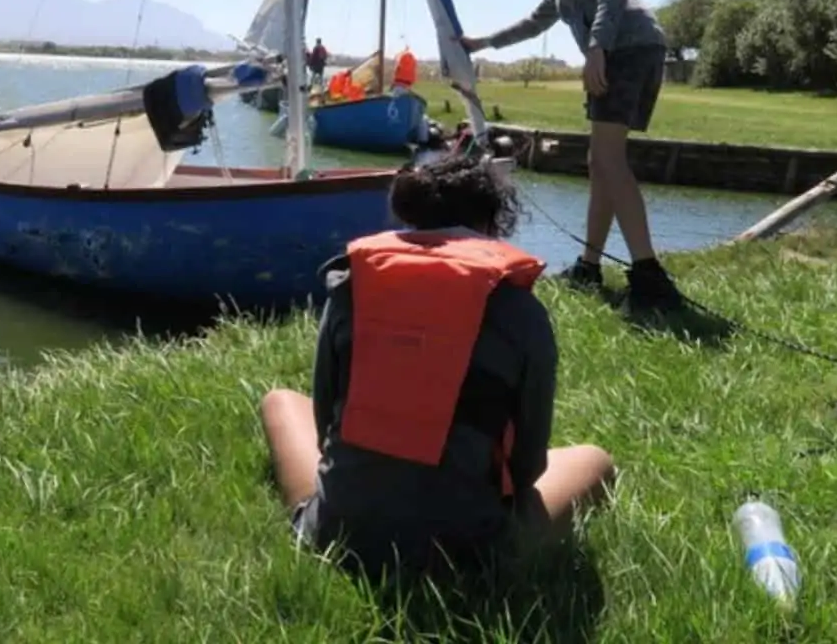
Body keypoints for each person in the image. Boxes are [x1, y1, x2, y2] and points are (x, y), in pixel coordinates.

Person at [258, 153, 615, 581]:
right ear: (489, 224)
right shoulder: (520, 309)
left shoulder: (352, 286)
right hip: (467, 553)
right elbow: (527, 470)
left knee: (281, 401)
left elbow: (323, 429)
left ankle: (333, 517)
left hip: (341, 537)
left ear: (411, 221)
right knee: (595, 461)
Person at [460, 0, 682, 310]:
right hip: (641, 48)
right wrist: (483, 43)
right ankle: (589, 265)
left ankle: (649, 276)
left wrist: (597, 47)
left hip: (623, 51)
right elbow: (536, 21)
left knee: (609, 160)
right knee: (602, 162)